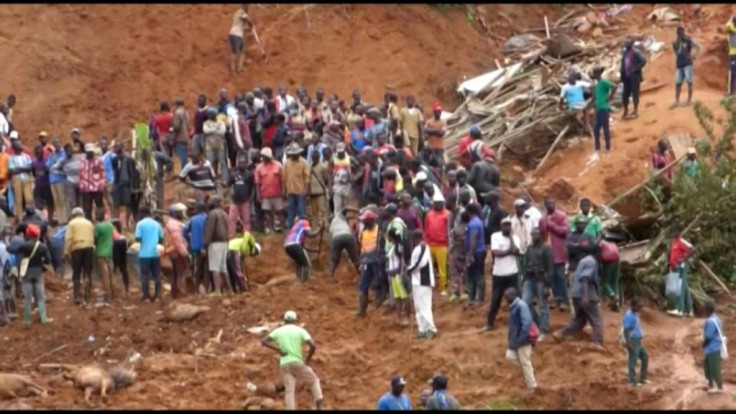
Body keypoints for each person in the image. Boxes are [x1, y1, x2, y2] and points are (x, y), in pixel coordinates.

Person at [260, 311, 324, 410]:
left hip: (284, 364)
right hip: (297, 361)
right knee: (314, 380)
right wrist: (307, 359)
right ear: (295, 320)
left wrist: (279, 350)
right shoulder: (300, 330)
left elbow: (263, 341)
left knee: (289, 390)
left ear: (284, 320)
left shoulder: (279, 331)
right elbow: (313, 345)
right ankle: (318, 407)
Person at [553, 252, 604, 350]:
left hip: (575, 294)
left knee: (580, 320)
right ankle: (597, 342)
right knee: (597, 319)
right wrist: (585, 296)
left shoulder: (582, 261)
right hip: (587, 295)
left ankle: (561, 333)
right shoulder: (592, 262)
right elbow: (585, 278)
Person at [480, 217, 520, 332]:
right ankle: (489, 323)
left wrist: (511, 237)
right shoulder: (495, 236)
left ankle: (516, 322)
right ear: (500, 226)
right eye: (505, 225)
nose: (507, 227)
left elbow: (516, 251)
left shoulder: (515, 238)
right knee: (495, 299)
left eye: (509, 225)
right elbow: (496, 253)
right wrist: (509, 251)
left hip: (512, 273)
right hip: (499, 274)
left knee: (515, 299)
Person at [8, 224, 53, 325]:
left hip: (26, 273)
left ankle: (27, 320)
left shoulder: (24, 246)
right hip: (38, 273)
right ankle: (43, 318)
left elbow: (11, 250)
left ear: (27, 234)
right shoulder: (42, 246)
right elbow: (48, 260)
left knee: (27, 297)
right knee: (40, 296)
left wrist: (7, 242)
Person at [522, 228, 553, 341]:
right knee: (525, 303)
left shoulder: (546, 248)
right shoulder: (529, 248)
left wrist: (547, 285)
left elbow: (550, 268)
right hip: (529, 278)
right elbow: (526, 264)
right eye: (532, 234)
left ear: (541, 235)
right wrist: (524, 279)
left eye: (536, 234)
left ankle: (544, 330)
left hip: (541, 279)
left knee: (543, 305)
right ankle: (538, 323)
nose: (533, 236)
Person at [539, 197, 569, 311]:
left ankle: (564, 300)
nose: (550, 205)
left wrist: (552, 225)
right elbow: (541, 235)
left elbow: (565, 231)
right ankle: (556, 299)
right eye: (548, 203)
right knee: (550, 277)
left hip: (559, 251)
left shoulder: (561, 216)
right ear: (545, 205)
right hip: (547, 252)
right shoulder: (542, 219)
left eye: (552, 202)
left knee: (560, 276)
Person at [504, 287, 537, 391]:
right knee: (510, 357)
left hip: (524, 340)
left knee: (525, 362)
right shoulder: (515, 306)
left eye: (507, 297)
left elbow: (526, 323)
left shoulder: (521, 306)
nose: (506, 299)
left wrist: (521, 338)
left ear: (512, 296)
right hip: (517, 340)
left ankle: (532, 386)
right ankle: (529, 373)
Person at [408, 229, 437, 339]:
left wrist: (408, 270)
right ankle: (422, 329)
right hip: (416, 281)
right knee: (418, 307)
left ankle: (431, 329)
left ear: (416, 238)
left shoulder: (423, 247)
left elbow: (420, 263)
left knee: (424, 306)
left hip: (423, 281)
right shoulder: (418, 248)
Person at [64, 207, 95, 305]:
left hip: (77, 249)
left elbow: (68, 239)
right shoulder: (89, 223)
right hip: (89, 248)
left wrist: (66, 252)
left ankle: (77, 296)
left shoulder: (72, 224)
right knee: (87, 272)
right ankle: (88, 295)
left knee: (76, 273)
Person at [135, 206, 165, 302]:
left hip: (144, 254)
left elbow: (137, 238)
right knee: (156, 274)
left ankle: (146, 296)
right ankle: (157, 296)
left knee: (145, 275)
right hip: (156, 253)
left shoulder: (140, 224)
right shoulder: (157, 224)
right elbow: (161, 238)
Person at [356, 210, 382, 316]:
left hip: (376, 262)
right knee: (363, 286)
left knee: (377, 284)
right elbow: (361, 248)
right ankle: (362, 310)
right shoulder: (364, 232)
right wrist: (361, 262)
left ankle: (377, 309)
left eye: (365, 221)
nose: (363, 223)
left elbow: (381, 246)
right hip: (366, 261)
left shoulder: (378, 231)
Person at [284, 214, 323, 283]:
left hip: (287, 246)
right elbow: (311, 234)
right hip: (294, 244)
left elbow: (302, 247)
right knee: (306, 264)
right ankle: (304, 283)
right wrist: (320, 229)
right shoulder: (304, 222)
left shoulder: (295, 227)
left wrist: (314, 250)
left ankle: (298, 279)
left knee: (299, 262)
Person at [204, 196, 231, 295]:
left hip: (215, 243)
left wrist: (205, 245)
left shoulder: (212, 214)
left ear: (214, 203)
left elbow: (209, 231)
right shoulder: (224, 213)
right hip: (225, 243)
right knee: (224, 268)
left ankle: (217, 291)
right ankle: (229, 290)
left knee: (215, 267)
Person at [667, 224, 695, 317]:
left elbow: (692, 249)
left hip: (680, 267)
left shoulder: (681, 241)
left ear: (679, 232)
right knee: (684, 287)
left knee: (679, 287)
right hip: (674, 266)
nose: (673, 233)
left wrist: (683, 259)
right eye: (672, 232)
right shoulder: (674, 242)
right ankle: (689, 309)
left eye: (674, 231)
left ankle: (679, 309)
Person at [425, 192, 449, 296]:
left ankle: (443, 287)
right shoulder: (429, 214)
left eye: (440, 203)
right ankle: (431, 285)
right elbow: (426, 228)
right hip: (430, 244)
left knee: (442, 268)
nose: (438, 205)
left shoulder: (447, 214)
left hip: (442, 245)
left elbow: (449, 230)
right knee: (429, 267)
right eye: (436, 203)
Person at [255, 147, 284, 233]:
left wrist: (283, 190)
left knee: (280, 211)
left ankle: (281, 228)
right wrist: (258, 194)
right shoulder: (259, 168)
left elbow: (282, 179)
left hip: (277, 193)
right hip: (265, 194)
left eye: (264, 156)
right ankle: (271, 229)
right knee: (267, 212)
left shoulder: (278, 165)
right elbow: (257, 182)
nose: (263, 158)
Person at [327, 206, 360, 281]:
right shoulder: (338, 217)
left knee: (333, 259)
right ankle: (362, 275)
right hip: (348, 235)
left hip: (336, 238)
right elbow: (345, 208)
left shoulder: (330, 228)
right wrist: (357, 210)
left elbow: (332, 244)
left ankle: (331, 276)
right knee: (355, 258)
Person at [671, 26, 701, 109]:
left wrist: (694, 56)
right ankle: (677, 101)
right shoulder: (675, 43)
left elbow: (698, 47)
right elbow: (676, 52)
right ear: (677, 33)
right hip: (679, 65)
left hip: (687, 64)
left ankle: (689, 100)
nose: (682, 34)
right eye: (680, 32)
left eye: (682, 32)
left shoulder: (688, 40)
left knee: (689, 82)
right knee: (678, 83)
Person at [183, 201, 209, 295]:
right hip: (208, 247)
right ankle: (207, 288)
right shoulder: (208, 217)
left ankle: (196, 290)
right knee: (207, 267)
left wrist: (189, 239)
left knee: (197, 268)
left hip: (196, 247)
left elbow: (184, 232)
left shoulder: (192, 219)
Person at [111, 142, 139, 229]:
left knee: (128, 204)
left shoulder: (129, 159)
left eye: (117, 147)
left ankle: (126, 223)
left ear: (122, 147)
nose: (115, 149)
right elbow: (115, 171)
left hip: (126, 184)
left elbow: (132, 174)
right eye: (114, 147)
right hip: (117, 183)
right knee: (116, 204)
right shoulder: (114, 159)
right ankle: (117, 223)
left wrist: (132, 186)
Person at [623, 297, 649, 388]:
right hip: (633, 340)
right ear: (633, 306)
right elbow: (626, 330)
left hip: (638, 340)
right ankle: (632, 382)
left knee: (645, 357)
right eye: (638, 306)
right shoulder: (629, 316)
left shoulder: (635, 313)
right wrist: (628, 343)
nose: (640, 309)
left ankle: (642, 378)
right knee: (632, 360)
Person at [283, 143, 310, 230]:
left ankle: (303, 228)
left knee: (301, 211)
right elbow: (284, 177)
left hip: (300, 191)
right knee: (291, 211)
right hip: (290, 191)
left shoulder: (304, 163)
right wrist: (284, 190)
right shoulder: (287, 163)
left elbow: (307, 178)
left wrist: (305, 190)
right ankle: (290, 228)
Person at [165, 203, 189, 298]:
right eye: (181, 212)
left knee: (176, 273)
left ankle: (174, 293)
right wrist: (185, 253)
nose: (183, 214)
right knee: (181, 273)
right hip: (177, 251)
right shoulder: (175, 225)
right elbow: (178, 241)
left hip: (172, 251)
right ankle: (182, 293)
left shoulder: (171, 223)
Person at [227, 153, 255, 237]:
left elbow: (253, 187)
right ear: (237, 164)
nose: (241, 164)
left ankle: (246, 236)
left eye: (243, 163)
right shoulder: (233, 174)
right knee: (231, 219)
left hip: (245, 200)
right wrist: (230, 194)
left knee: (246, 220)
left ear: (246, 164)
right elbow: (228, 185)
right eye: (240, 163)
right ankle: (231, 235)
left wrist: (251, 197)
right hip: (235, 201)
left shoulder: (249, 174)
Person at [619, 38, 647, 120]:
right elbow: (622, 64)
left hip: (634, 77)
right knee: (625, 95)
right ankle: (626, 110)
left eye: (628, 43)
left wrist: (635, 69)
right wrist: (622, 75)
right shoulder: (625, 53)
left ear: (631, 44)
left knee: (635, 93)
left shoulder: (636, 52)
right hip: (626, 77)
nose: (626, 45)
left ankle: (635, 110)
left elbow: (643, 61)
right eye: (625, 44)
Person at [464, 203, 486, 307]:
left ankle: (479, 298)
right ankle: (472, 298)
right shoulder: (476, 221)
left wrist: (470, 254)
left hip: (476, 252)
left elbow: (473, 239)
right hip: (476, 252)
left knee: (477, 275)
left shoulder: (474, 224)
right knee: (471, 275)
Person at [447, 194, 468, 303]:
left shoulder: (463, 212)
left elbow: (466, 227)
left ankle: (465, 290)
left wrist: (461, 236)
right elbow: (449, 231)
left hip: (462, 244)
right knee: (453, 268)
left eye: (448, 202)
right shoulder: (450, 214)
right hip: (453, 245)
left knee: (463, 267)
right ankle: (455, 291)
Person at [227, 224, 259, 292]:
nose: (252, 255)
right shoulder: (251, 244)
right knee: (237, 270)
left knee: (232, 270)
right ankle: (243, 288)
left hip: (229, 248)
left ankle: (234, 289)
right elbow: (247, 234)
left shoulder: (247, 248)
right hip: (234, 249)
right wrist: (243, 251)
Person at [702, 299, 725, 394]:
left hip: (712, 348)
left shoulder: (710, 321)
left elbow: (708, 336)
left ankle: (718, 387)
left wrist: (704, 344)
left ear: (707, 310)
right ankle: (711, 384)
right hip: (715, 347)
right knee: (708, 366)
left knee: (714, 367)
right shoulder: (717, 318)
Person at [591, 66, 616, 153]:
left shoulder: (603, 82)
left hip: (604, 108)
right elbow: (594, 97)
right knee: (596, 129)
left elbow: (614, 86)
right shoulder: (597, 84)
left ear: (598, 74)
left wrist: (610, 97)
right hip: (599, 109)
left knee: (605, 128)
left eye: (594, 74)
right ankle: (597, 147)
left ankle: (607, 148)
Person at [93, 207, 116, 303]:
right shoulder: (110, 226)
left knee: (104, 274)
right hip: (109, 252)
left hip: (100, 253)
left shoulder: (97, 227)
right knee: (111, 273)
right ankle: (114, 292)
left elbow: (95, 239)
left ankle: (107, 294)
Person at [8, 134, 33, 218]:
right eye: (19, 145)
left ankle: (30, 217)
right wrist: (23, 168)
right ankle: (20, 218)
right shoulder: (11, 158)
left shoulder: (26, 156)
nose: (21, 146)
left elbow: (30, 167)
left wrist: (18, 169)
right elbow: (12, 171)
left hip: (26, 179)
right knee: (18, 200)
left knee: (29, 199)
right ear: (14, 147)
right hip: (17, 180)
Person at [78, 143, 106, 219]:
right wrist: (81, 186)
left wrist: (102, 184)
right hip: (86, 188)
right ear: (86, 152)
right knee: (87, 207)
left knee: (99, 205)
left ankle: (100, 220)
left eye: (91, 152)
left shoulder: (98, 161)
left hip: (97, 187)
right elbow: (80, 174)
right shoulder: (83, 162)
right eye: (88, 152)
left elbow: (103, 173)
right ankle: (88, 221)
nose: (90, 153)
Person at [203, 107, 228, 184]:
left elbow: (222, 131)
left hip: (219, 145)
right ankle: (210, 179)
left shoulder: (220, 123)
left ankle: (224, 179)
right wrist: (216, 128)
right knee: (210, 163)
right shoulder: (206, 123)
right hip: (210, 146)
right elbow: (205, 131)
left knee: (222, 162)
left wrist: (212, 130)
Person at [47, 138, 68, 223]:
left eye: (57, 142)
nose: (56, 145)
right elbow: (48, 165)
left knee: (63, 200)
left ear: (60, 143)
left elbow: (60, 164)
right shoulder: (52, 154)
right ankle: (60, 220)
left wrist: (53, 168)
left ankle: (65, 219)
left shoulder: (63, 153)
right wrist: (53, 168)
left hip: (61, 179)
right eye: (54, 143)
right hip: (52, 180)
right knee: (57, 201)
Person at [31, 145, 54, 222]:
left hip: (47, 184)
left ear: (43, 153)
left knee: (50, 203)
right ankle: (40, 220)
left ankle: (50, 219)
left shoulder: (47, 160)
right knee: (38, 204)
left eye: (40, 152)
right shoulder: (34, 162)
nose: (39, 154)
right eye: (37, 153)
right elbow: (33, 172)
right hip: (38, 185)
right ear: (35, 153)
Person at [228, 4, 253, 74]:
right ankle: (233, 70)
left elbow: (244, 27)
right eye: (246, 7)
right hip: (235, 34)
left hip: (238, 35)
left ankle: (240, 68)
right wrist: (251, 24)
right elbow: (247, 20)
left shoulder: (240, 15)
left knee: (243, 50)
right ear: (244, 7)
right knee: (234, 52)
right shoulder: (240, 12)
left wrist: (250, 28)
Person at [172, 98, 191, 170]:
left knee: (181, 156)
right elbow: (188, 124)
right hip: (186, 136)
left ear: (176, 104)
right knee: (185, 156)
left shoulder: (177, 113)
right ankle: (185, 172)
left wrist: (172, 130)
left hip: (179, 137)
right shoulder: (186, 112)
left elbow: (177, 126)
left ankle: (184, 173)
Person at [99, 138, 116, 213]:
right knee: (107, 201)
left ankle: (115, 216)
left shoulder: (111, 155)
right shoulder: (99, 157)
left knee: (111, 200)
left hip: (110, 180)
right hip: (103, 181)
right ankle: (112, 215)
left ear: (107, 145)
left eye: (104, 144)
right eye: (101, 144)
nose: (103, 146)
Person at [728, 15, 736, 95]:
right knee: (733, 73)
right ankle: (731, 92)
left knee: (733, 74)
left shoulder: (731, 29)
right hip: (733, 54)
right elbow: (728, 25)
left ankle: (731, 92)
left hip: (733, 54)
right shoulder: (730, 29)